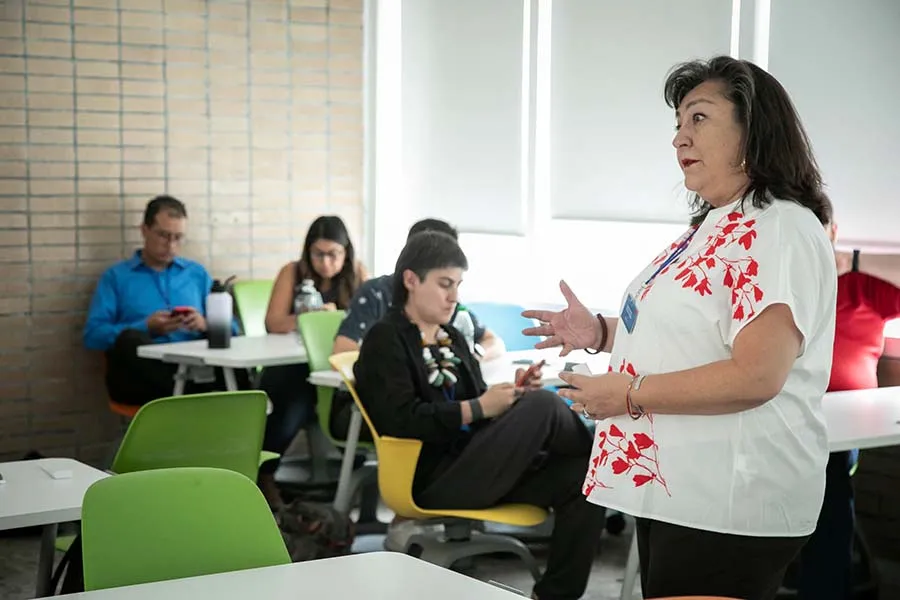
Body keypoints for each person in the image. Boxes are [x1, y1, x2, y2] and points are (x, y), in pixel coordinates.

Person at [523, 56, 837, 600]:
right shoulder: (718, 223)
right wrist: (599, 332)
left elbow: (757, 375)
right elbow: (693, 335)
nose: (679, 139)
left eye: (699, 118)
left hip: (732, 494)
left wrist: (629, 395)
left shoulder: (777, 227)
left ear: (752, 130)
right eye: (677, 125)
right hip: (684, 485)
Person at [353, 231, 605, 600]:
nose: (454, 296)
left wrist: (511, 397)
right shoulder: (384, 339)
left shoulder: (451, 336)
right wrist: (480, 407)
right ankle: (610, 455)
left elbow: (478, 408)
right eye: (444, 284)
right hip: (432, 477)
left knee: (585, 479)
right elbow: (401, 419)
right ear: (410, 280)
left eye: (457, 284)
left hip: (478, 462)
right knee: (546, 406)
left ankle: (554, 597)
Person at [790, 222, 900, 599]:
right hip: (778, 419)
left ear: (832, 231)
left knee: (830, 489)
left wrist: (851, 261)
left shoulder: (860, 286)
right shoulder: (777, 283)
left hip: (841, 430)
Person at [83, 196, 243, 406]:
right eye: (163, 236)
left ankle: (252, 418)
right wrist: (146, 327)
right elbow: (93, 336)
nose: (171, 245)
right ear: (144, 230)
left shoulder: (196, 274)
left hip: (194, 368)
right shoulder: (117, 277)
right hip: (141, 377)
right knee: (130, 339)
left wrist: (205, 324)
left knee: (232, 362)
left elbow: (235, 330)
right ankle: (190, 394)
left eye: (178, 237)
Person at [257, 215, 367, 507]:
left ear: (346, 252)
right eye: (318, 254)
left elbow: (370, 322)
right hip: (291, 367)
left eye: (334, 254)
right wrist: (310, 319)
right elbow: (274, 322)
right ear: (307, 252)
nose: (326, 262)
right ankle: (265, 475)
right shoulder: (292, 272)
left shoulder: (357, 275)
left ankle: (354, 473)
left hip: (335, 367)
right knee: (294, 399)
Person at [331, 218, 504, 361]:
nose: (453, 296)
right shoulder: (377, 295)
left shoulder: (450, 306)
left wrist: (475, 357)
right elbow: (343, 352)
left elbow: (493, 342)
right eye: (444, 283)